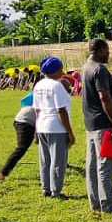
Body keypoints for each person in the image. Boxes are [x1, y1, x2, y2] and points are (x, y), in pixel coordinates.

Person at [81, 39, 112, 214]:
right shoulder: (99, 69)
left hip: (91, 123)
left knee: (92, 165)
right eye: (107, 50)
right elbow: (104, 97)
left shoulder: (85, 67)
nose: (108, 53)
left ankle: (95, 203)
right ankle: (108, 205)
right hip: (103, 123)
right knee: (105, 166)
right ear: (100, 50)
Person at [33, 57, 75, 199]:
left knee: (45, 160)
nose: (62, 72)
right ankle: (56, 191)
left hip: (42, 126)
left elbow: (36, 110)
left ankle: (45, 188)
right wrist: (70, 132)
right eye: (60, 69)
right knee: (58, 161)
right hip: (56, 127)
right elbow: (61, 111)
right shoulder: (56, 86)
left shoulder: (38, 85)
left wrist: (35, 131)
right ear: (55, 70)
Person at [0, 93, 36, 183]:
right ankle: (2, 173)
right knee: (21, 148)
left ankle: (58, 163)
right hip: (24, 121)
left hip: (26, 119)